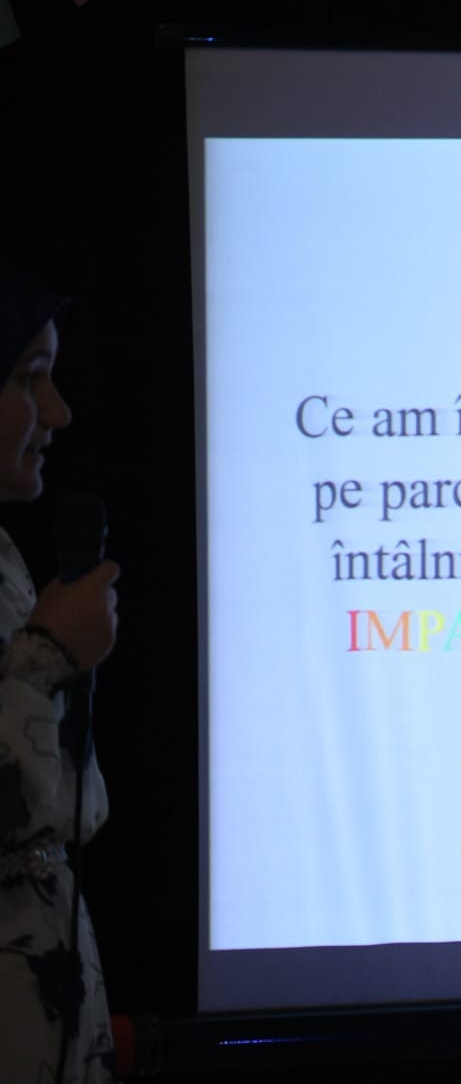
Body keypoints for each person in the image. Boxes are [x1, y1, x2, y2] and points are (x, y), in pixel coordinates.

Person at [0, 267, 120, 1084]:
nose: (58, 412)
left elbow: (73, 806)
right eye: (28, 379)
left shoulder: (5, 557)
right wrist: (46, 652)